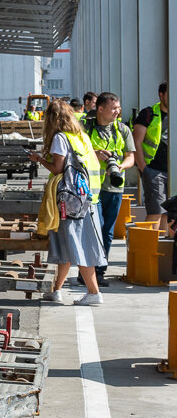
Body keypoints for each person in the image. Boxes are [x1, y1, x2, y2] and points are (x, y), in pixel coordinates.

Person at [27, 101, 106, 305]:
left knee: (79, 246)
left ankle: (94, 292)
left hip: (71, 202)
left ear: (51, 119)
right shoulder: (81, 137)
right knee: (66, 245)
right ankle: (57, 290)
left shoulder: (60, 138)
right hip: (87, 198)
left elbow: (57, 168)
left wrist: (38, 159)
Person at [84, 91, 135, 284]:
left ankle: (99, 271)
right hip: (92, 188)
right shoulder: (85, 128)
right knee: (94, 229)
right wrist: (95, 154)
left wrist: (121, 166)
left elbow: (130, 156)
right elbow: (75, 152)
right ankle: (87, 270)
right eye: (113, 108)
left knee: (107, 231)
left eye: (118, 108)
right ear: (100, 108)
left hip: (114, 187)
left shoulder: (122, 130)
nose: (117, 111)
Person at [132, 82, 169, 231]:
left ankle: (162, 244)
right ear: (161, 95)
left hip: (172, 171)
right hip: (154, 170)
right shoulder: (149, 113)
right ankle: (150, 243)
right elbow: (136, 142)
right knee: (156, 212)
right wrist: (144, 169)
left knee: (169, 213)